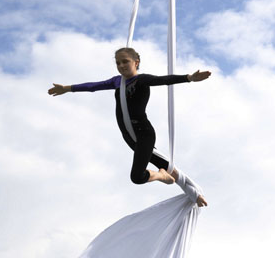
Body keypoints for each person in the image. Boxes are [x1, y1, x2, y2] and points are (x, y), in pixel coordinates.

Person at [48, 47, 210, 206]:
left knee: (138, 177)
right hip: (129, 137)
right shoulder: (117, 81)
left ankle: (162, 176)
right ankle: (195, 194)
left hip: (143, 133)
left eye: (125, 61)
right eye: (118, 63)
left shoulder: (142, 79)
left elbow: (164, 80)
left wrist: (189, 78)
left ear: (136, 62)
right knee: (166, 165)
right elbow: (93, 86)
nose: (121, 66)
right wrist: (67, 88)